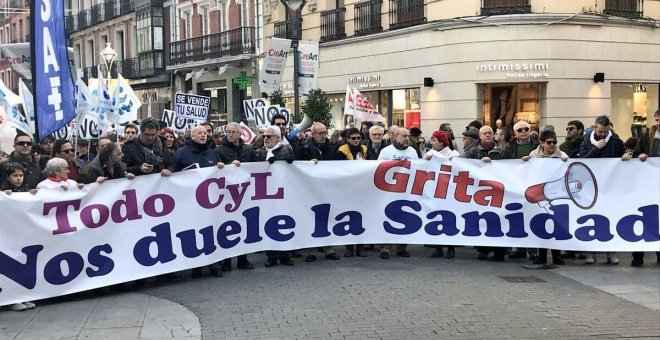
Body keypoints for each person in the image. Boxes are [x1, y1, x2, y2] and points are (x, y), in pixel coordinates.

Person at [174, 126, 226, 277]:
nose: (204, 135)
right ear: (192, 136)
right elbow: (175, 174)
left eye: (205, 133)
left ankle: (214, 264)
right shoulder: (182, 153)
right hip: (191, 201)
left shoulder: (212, 153)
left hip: (210, 202)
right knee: (195, 232)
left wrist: (220, 167)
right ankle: (197, 265)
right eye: (200, 133)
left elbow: (220, 173)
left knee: (211, 231)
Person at [579, 115, 631, 265]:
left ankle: (611, 253)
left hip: (610, 187)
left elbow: (625, 151)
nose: (603, 134)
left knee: (610, 218)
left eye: (605, 131)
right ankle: (591, 253)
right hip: (592, 187)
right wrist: (596, 148)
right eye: (600, 131)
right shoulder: (586, 142)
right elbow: (582, 161)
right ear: (595, 127)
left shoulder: (615, 141)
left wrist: (628, 154)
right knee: (592, 218)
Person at [464, 126, 510, 261]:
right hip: (479, 192)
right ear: (480, 136)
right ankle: (483, 249)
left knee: (498, 220)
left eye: (490, 133)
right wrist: (479, 164)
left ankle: (499, 252)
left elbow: (510, 167)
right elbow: (463, 166)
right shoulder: (471, 151)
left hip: (498, 191)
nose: (488, 135)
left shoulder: (503, 150)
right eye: (485, 133)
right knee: (482, 219)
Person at [523, 129, 568, 266]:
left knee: (557, 225)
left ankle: (556, 255)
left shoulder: (561, 155)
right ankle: (541, 255)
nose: (552, 145)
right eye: (549, 142)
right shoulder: (534, 155)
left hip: (556, 195)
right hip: (539, 194)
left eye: (554, 142)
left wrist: (565, 161)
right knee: (542, 225)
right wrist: (525, 162)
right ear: (542, 143)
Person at [215, 122, 255, 271]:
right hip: (227, 194)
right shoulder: (219, 150)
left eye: (233, 132)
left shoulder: (248, 149)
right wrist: (228, 165)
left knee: (243, 225)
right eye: (228, 132)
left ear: (240, 133)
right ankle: (226, 261)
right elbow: (216, 169)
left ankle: (243, 259)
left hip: (244, 193)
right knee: (227, 227)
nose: (230, 134)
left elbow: (256, 167)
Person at [298, 122, 340, 262]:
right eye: (320, 133)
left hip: (327, 187)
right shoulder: (305, 147)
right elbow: (298, 164)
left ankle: (329, 249)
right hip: (311, 188)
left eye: (325, 132)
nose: (323, 136)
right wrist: (309, 163)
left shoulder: (332, 147)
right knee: (312, 218)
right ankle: (312, 250)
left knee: (328, 217)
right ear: (313, 134)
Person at [254, 125, 295, 267]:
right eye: (264, 136)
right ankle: (271, 255)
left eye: (269, 136)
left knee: (284, 223)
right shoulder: (259, 152)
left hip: (283, 194)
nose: (265, 138)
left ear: (277, 138)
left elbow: (294, 162)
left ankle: (285, 255)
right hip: (265, 195)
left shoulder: (286, 150)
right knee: (268, 223)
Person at [377, 127, 419, 259]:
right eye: (403, 136)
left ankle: (402, 247)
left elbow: (419, 169)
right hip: (389, 192)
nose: (407, 139)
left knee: (405, 218)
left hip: (406, 191)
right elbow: (377, 169)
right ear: (394, 137)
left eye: (408, 136)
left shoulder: (412, 151)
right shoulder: (386, 151)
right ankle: (385, 247)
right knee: (388, 218)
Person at [1, 161, 37, 311]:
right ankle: (11, 299)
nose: (18, 178)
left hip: (20, 235)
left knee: (21, 266)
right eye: (15, 175)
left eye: (21, 175)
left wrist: (31, 194)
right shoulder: (4, 191)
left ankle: (23, 296)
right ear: (7, 177)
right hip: (6, 237)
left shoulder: (24, 191)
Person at [505, 120, 539, 260]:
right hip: (516, 186)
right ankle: (520, 248)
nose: (524, 132)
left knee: (533, 217)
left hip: (533, 185)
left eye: (526, 129)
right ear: (515, 133)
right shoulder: (509, 148)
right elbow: (504, 164)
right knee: (517, 217)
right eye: (520, 130)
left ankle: (532, 249)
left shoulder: (538, 146)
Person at [424, 130, 460, 259]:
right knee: (436, 217)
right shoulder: (430, 153)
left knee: (450, 218)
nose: (432, 143)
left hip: (450, 191)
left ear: (441, 142)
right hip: (435, 190)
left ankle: (451, 248)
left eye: (434, 140)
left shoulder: (453, 154)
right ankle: (438, 247)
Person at [632, 109, 660, 266]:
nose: (658, 123)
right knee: (644, 217)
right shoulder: (647, 134)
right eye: (656, 120)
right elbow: (637, 151)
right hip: (647, 183)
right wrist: (640, 155)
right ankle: (637, 256)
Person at [336, 127, 368, 257]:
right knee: (348, 217)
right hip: (347, 189)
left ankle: (360, 247)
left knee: (362, 218)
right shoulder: (340, 151)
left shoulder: (365, 150)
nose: (356, 140)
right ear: (347, 139)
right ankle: (349, 247)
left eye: (358, 138)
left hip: (362, 189)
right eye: (353, 138)